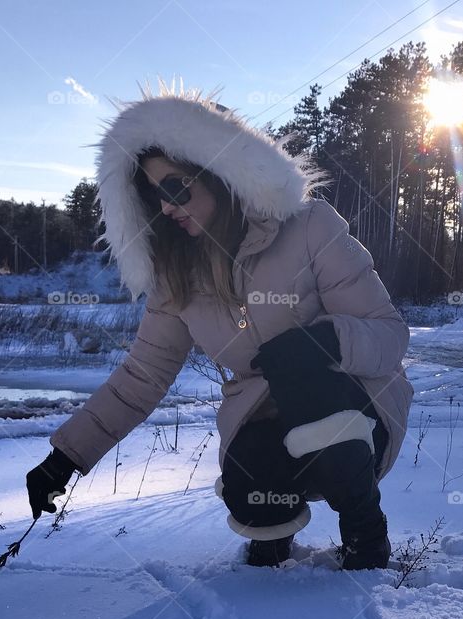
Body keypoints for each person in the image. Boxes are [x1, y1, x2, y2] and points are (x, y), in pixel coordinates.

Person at [26, 77, 414, 569]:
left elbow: (388, 334)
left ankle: (364, 532)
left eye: (176, 187)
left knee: (306, 374)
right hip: (269, 422)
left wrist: (325, 343)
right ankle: (270, 537)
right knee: (247, 478)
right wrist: (65, 458)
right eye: (154, 197)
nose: (167, 206)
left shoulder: (310, 226)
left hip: (358, 411)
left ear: (216, 172)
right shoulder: (177, 277)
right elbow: (141, 378)